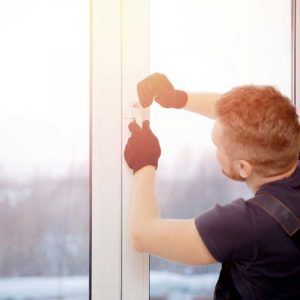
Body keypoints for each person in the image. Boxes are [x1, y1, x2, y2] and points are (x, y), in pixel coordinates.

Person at [124, 73, 300, 299]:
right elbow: (251, 115)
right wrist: (178, 98)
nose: (215, 152)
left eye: (218, 145)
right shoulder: (286, 144)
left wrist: (144, 163)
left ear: (243, 167)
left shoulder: (246, 224)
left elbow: (143, 234)